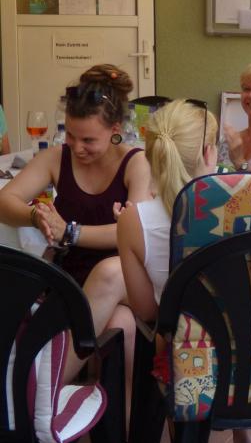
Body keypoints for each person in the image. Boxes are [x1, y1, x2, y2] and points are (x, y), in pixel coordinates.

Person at [118, 100, 251, 443]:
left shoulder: (134, 221)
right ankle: (245, 438)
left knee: (166, 334)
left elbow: (147, 311)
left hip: (191, 364)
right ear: (209, 152)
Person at [0, 65, 150, 286]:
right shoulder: (56, 158)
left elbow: (138, 231)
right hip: (67, 279)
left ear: (115, 130)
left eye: (88, 140)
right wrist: (36, 217)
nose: (77, 148)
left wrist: (70, 232)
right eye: (70, 135)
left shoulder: (136, 163)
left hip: (119, 282)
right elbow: (4, 201)